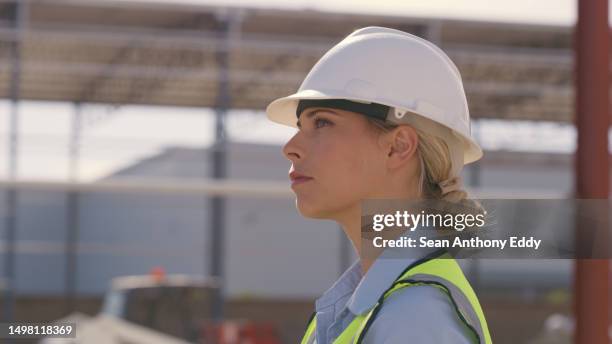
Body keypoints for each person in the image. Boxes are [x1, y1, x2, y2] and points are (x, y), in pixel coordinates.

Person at [266, 26, 492, 344]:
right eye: (301, 125)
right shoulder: (362, 313)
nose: (290, 146)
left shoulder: (415, 319)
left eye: (322, 122)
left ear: (398, 146)